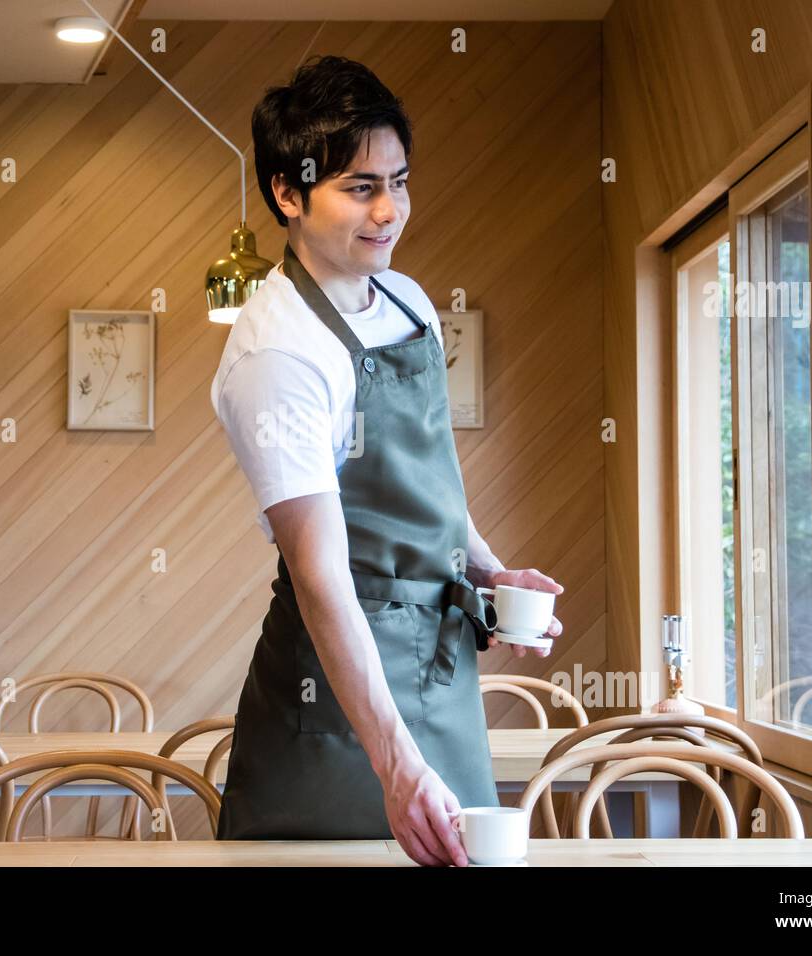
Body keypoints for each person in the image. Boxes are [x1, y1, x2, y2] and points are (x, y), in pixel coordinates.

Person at [209, 55, 565, 867]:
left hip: (441, 667)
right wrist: (397, 766)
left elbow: (428, 480)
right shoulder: (278, 354)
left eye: (398, 181)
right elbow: (319, 573)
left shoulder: (407, 300)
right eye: (359, 188)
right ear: (287, 194)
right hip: (337, 699)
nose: (389, 211)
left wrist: (489, 573)